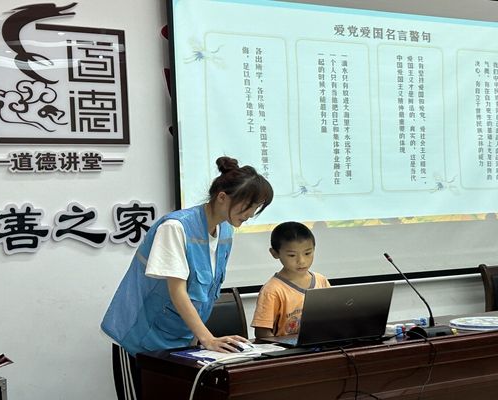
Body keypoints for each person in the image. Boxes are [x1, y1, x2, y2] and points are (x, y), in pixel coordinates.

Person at [101, 156, 273, 400]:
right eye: (248, 206)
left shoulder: (225, 230)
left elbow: (204, 293)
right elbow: (177, 291)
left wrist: (200, 340)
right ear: (222, 197)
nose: (251, 214)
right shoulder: (175, 227)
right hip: (139, 339)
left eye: (256, 207)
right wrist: (208, 339)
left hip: (181, 340)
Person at [251, 221, 330, 338]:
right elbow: (262, 332)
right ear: (274, 253)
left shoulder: (321, 280)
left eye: (307, 253)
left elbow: (332, 316)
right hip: (287, 347)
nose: (301, 261)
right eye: (292, 255)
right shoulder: (272, 290)